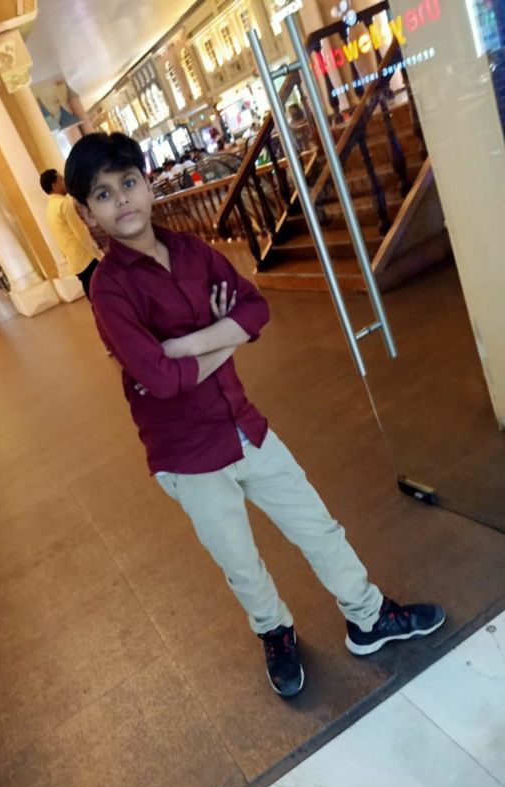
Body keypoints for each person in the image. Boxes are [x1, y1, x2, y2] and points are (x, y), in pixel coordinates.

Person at [63, 132, 445, 699]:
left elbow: (255, 308)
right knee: (240, 562)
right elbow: (162, 382)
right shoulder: (110, 291)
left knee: (317, 526)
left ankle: (368, 617)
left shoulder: (193, 252)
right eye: (102, 194)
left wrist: (187, 344)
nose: (121, 200)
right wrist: (228, 335)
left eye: (128, 182)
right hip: (187, 455)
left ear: (147, 184)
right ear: (86, 211)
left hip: (245, 424)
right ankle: (275, 631)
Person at [40, 168, 102, 300]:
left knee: (93, 293)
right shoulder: (64, 204)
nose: (65, 181)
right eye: (61, 179)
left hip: (75, 260)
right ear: (54, 185)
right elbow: (82, 234)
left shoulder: (50, 209)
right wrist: (98, 254)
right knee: (101, 293)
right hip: (86, 258)